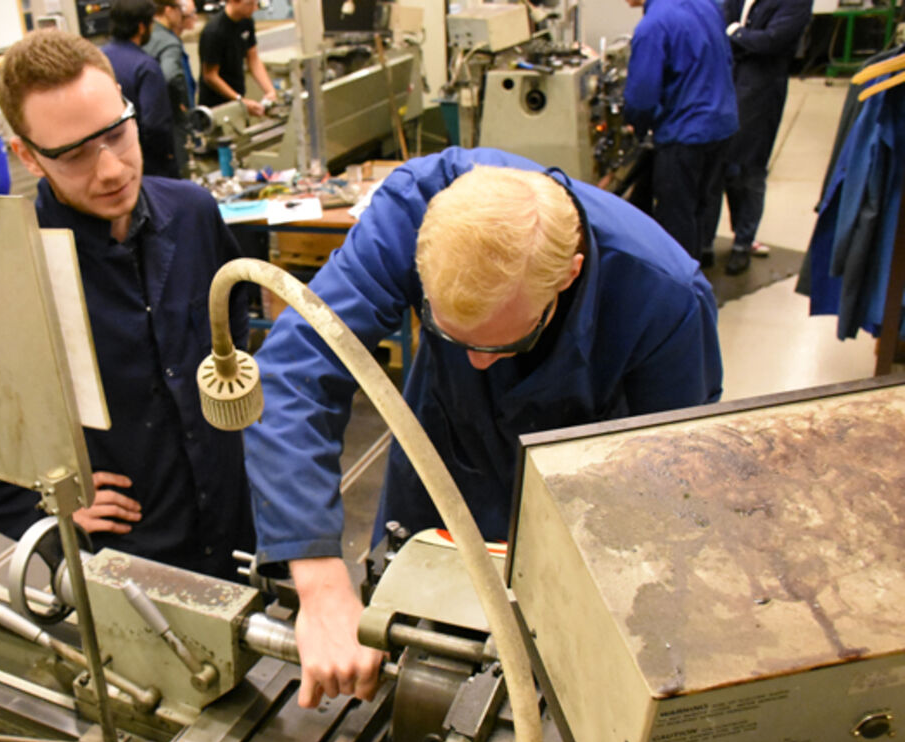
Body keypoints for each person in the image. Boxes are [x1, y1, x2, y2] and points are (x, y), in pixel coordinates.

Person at [242, 148, 724, 706]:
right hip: (443, 470)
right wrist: (321, 585)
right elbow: (295, 373)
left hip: (588, 508)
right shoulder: (415, 206)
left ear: (568, 275)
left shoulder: (665, 298)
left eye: (502, 343)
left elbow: (668, 489)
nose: (475, 362)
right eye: (453, 337)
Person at [0, 29, 254, 580]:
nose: (110, 169)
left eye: (116, 133)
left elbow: (231, 319)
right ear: (28, 156)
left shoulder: (193, 213)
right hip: (123, 559)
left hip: (234, 525)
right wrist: (40, 511)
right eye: (73, 154)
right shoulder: (5, 268)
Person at [623, 0, 738, 267]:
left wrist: (635, 127)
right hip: (721, 124)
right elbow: (726, 59)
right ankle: (697, 269)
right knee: (699, 207)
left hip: (685, 134)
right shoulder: (707, 5)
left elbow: (642, 97)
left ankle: (681, 283)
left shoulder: (653, 27)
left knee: (676, 219)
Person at [717, 0, 812, 276]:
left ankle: (743, 243)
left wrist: (735, 34)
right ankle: (730, 235)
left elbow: (771, 42)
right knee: (725, 168)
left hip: (761, 93)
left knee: (750, 170)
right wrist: (741, 36)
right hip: (728, 82)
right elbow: (722, 24)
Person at [102, 0, 179, 178]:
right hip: (148, 167)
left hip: (107, 156)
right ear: (142, 27)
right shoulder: (146, 67)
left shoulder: (97, 59)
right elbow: (155, 125)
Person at [142, 0, 197, 176]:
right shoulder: (168, 42)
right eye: (179, 10)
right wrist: (180, 104)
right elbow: (171, 76)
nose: (182, 15)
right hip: (173, 120)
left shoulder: (147, 37)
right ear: (168, 10)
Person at [198, 0, 277, 116]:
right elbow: (210, 76)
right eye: (249, 4)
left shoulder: (247, 22)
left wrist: (270, 90)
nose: (254, 8)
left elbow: (253, 59)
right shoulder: (214, 31)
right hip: (216, 105)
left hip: (237, 93)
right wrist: (240, 100)